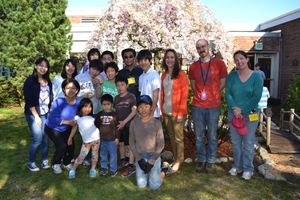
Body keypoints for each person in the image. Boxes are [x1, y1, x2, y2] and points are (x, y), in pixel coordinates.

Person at [189, 39, 227, 173]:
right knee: (199, 135)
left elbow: (223, 83)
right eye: (198, 47)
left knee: (212, 135)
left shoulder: (219, 64)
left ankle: (210, 160)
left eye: (203, 46)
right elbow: (193, 85)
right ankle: (201, 159)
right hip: (198, 105)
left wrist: (213, 93)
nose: (201, 49)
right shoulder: (193, 67)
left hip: (213, 105)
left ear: (208, 47)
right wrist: (202, 94)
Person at [226, 50, 263, 180]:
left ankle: (248, 168)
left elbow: (256, 97)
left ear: (247, 60)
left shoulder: (257, 77)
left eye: (242, 58)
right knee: (236, 143)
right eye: (236, 60)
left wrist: (242, 110)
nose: (239, 62)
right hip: (234, 113)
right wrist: (235, 109)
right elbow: (228, 94)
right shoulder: (232, 76)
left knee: (248, 142)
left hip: (250, 114)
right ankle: (237, 166)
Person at [160, 49, 189, 173]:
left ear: (176, 59)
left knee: (178, 138)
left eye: (172, 57)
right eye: (167, 57)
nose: (169, 60)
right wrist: (161, 110)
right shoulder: (164, 74)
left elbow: (184, 94)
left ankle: (178, 161)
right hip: (166, 112)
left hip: (177, 112)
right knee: (172, 137)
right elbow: (163, 93)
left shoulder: (181, 74)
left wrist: (181, 113)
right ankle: (176, 158)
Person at [45, 79, 81, 174]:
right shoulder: (59, 101)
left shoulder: (78, 103)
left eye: (73, 88)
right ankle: (55, 164)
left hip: (66, 129)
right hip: (52, 128)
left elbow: (78, 118)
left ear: (77, 90)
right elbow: (52, 118)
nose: (71, 90)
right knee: (62, 146)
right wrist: (68, 122)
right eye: (68, 88)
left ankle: (66, 162)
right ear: (64, 90)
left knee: (71, 145)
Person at [129, 95, 165, 190]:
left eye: (146, 106)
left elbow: (161, 144)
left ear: (151, 107)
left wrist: (152, 160)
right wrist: (139, 159)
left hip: (154, 156)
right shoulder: (134, 123)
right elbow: (131, 143)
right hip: (140, 156)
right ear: (137, 109)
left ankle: (163, 172)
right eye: (140, 107)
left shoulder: (156, 123)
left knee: (154, 187)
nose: (143, 109)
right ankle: (149, 173)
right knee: (141, 186)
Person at [23, 57, 53, 172]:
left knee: (45, 138)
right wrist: (36, 117)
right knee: (37, 139)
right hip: (33, 114)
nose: (43, 68)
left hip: (45, 114)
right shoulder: (30, 81)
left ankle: (44, 160)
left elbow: (50, 97)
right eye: (41, 65)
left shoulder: (48, 81)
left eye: (45, 66)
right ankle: (31, 162)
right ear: (36, 66)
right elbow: (29, 101)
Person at [68, 98, 100, 178]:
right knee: (81, 156)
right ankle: (73, 169)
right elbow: (74, 128)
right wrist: (70, 138)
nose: (87, 109)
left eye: (89, 107)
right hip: (86, 142)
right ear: (81, 107)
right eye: (85, 107)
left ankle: (93, 169)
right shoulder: (77, 118)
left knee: (94, 155)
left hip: (96, 140)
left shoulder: (93, 117)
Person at [114, 76, 137, 177]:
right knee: (121, 143)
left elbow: (134, 111)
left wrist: (124, 122)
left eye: (122, 85)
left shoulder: (131, 96)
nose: (120, 87)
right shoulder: (116, 98)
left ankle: (131, 165)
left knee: (130, 144)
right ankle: (123, 160)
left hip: (129, 125)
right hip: (119, 126)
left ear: (127, 85)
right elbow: (115, 112)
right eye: (118, 85)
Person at [95, 94, 119, 177]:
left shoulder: (114, 115)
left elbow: (117, 127)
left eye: (108, 104)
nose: (106, 106)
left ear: (111, 104)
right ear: (102, 105)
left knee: (113, 155)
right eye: (104, 104)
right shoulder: (99, 114)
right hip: (102, 139)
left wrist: (117, 137)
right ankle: (104, 168)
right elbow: (96, 125)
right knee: (103, 154)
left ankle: (113, 169)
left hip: (112, 139)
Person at [138, 49, 161, 118]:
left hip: (153, 114)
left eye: (145, 60)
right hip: (143, 113)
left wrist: (152, 112)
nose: (143, 63)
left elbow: (155, 95)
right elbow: (141, 94)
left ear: (150, 61)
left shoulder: (154, 75)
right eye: (141, 60)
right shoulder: (141, 77)